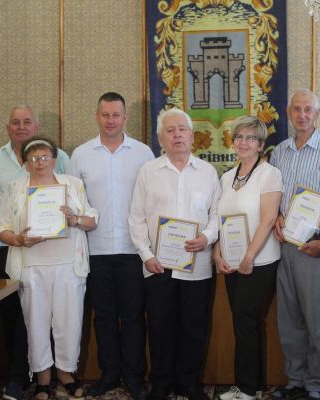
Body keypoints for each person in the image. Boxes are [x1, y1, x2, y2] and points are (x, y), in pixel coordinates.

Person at [129, 108, 221, 400]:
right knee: (160, 326)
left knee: (194, 327)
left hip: (198, 265)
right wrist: (146, 255)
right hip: (158, 265)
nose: (177, 135)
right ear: (161, 139)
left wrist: (207, 237)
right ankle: (161, 382)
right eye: (170, 130)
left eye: (182, 129)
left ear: (192, 136)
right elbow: (136, 217)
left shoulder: (207, 172)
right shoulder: (148, 172)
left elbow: (217, 215)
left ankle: (189, 383)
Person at [0, 136, 98, 400]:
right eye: (33, 158)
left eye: (44, 157)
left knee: (69, 323)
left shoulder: (72, 185)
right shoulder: (14, 188)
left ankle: (65, 374)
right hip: (32, 267)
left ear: (55, 160)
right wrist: (18, 240)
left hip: (68, 265)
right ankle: (42, 377)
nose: (40, 162)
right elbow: (2, 228)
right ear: (25, 162)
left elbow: (92, 220)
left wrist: (74, 219)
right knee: (36, 324)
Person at [270, 89, 320, 400]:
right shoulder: (279, 152)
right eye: (297, 109)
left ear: (317, 114)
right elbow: (274, 196)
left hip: (315, 249)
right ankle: (295, 380)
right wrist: (278, 217)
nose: (302, 115)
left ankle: (317, 383)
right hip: (284, 248)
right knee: (289, 318)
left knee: (316, 319)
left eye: (308, 109)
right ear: (289, 113)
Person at [69, 92, 154, 400]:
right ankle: (109, 374)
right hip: (96, 250)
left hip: (134, 250)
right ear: (97, 116)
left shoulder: (143, 153)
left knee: (133, 316)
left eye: (116, 115)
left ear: (125, 118)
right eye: (105, 115)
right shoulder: (81, 155)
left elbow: (151, 200)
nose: (110, 120)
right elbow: (73, 202)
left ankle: (134, 376)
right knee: (103, 316)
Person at [0, 105, 69, 400]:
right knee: (15, 315)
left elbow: (70, 197)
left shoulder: (61, 158)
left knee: (49, 315)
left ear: (37, 127)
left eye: (27, 122)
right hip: (10, 249)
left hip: (53, 252)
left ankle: (49, 375)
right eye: (16, 122)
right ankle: (18, 377)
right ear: (8, 128)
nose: (21, 127)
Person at [213, 116, 283, 400]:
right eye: (239, 137)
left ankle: (246, 389)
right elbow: (220, 221)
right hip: (232, 262)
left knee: (246, 319)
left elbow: (268, 220)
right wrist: (217, 251)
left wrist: (250, 256)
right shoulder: (226, 177)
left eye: (251, 138)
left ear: (261, 145)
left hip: (259, 261)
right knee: (242, 321)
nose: (244, 142)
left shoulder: (269, 174)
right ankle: (250, 386)